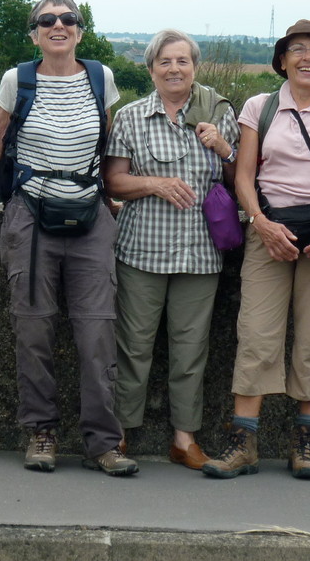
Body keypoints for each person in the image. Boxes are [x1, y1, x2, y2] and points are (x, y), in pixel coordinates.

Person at [0, 0, 137, 476]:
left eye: (68, 19)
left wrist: (112, 197)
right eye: (46, 20)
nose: (58, 26)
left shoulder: (100, 77)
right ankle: (41, 433)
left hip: (88, 213)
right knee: (33, 326)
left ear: (81, 31)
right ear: (34, 34)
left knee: (97, 332)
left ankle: (104, 444)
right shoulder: (17, 80)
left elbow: (105, 140)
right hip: (30, 214)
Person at [202, 19, 310, 480]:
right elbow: (244, 176)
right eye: (297, 49)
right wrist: (262, 224)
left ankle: (306, 441)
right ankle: (244, 442)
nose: (308, 57)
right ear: (281, 61)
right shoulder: (260, 107)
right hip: (271, 233)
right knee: (257, 332)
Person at [103, 29, 240, 470]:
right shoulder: (130, 117)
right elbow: (114, 181)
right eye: (165, 62)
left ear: (194, 68)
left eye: (183, 61)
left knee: (190, 349)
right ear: (151, 70)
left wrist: (223, 147)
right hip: (142, 249)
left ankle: (184, 440)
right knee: (133, 346)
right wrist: (154, 184)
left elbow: (242, 182)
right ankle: (119, 435)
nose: (174, 69)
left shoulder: (220, 115)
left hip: (200, 254)